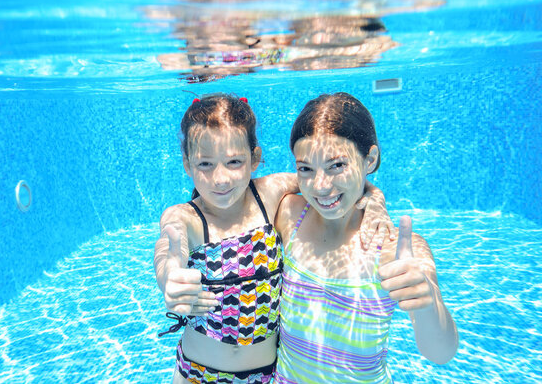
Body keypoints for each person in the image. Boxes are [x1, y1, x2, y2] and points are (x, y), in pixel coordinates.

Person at [153, 93, 394, 384]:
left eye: (233, 161)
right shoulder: (187, 217)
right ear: (187, 164)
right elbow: (170, 243)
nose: (220, 178)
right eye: (205, 164)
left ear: (254, 158)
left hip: (267, 376)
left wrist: (375, 198)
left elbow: (330, 180)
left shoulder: (268, 194)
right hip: (198, 374)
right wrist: (169, 276)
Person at [274, 92, 459, 383]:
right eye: (306, 168)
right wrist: (372, 193)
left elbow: (441, 353)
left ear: (370, 159)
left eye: (337, 165)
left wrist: (428, 302)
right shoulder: (289, 215)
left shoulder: (395, 248)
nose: (320, 186)